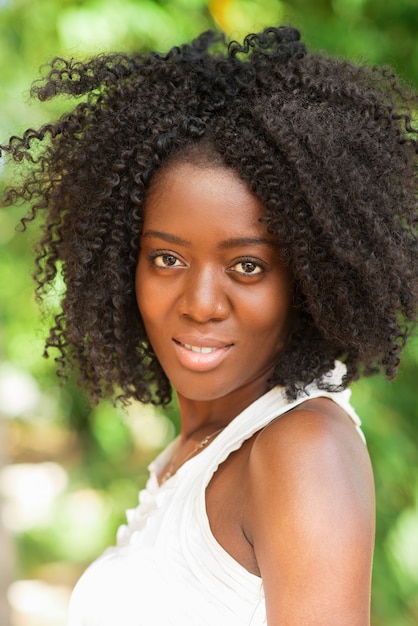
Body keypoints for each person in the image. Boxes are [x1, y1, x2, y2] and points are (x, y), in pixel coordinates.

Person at [2, 25, 418, 626]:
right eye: (167, 259)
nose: (200, 304)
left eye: (247, 266)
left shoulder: (301, 448)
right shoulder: (194, 452)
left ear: (306, 280)